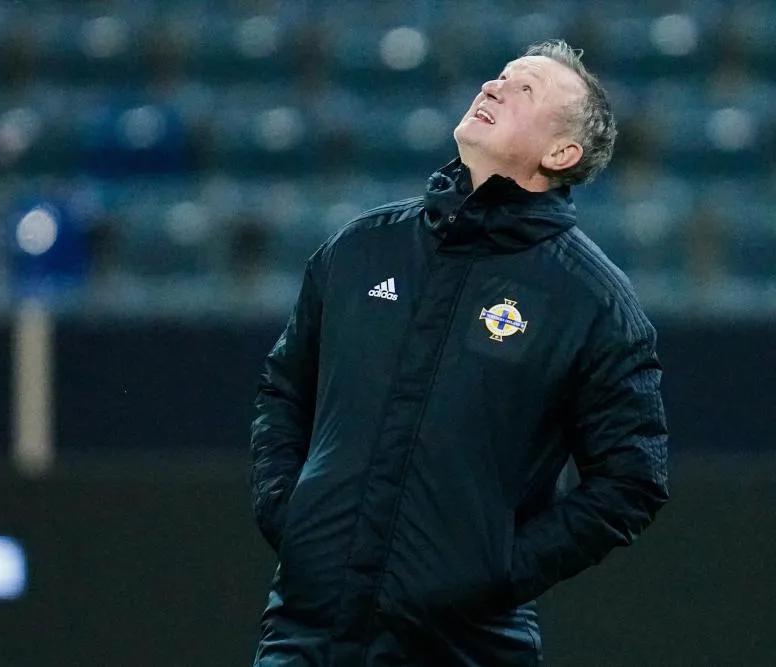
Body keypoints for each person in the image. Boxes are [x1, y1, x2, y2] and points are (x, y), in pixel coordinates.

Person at [249, 39, 668, 666]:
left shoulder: (592, 299)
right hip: (307, 632)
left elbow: (633, 480)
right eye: (499, 76)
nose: (493, 87)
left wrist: (493, 573)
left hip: (465, 647)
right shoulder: (361, 248)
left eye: (525, 90)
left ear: (561, 153)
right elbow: (284, 390)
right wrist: (289, 517)